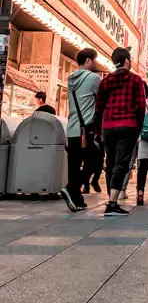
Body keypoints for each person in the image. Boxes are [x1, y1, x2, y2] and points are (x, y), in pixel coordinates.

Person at [94, 47, 146, 216]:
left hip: (108, 127)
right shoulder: (135, 80)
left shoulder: (106, 81)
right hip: (128, 125)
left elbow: (99, 108)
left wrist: (97, 131)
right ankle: (112, 203)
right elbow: (140, 106)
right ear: (126, 61)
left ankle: (112, 199)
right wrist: (138, 128)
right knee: (121, 163)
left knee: (110, 162)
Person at [61, 48, 100, 212]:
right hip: (86, 129)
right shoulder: (93, 78)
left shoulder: (71, 78)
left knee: (74, 164)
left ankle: (77, 199)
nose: (96, 63)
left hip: (72, 128)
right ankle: (72, 187)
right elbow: (101, 99)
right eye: (95, 59)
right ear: (89, 60)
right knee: (95, 161)